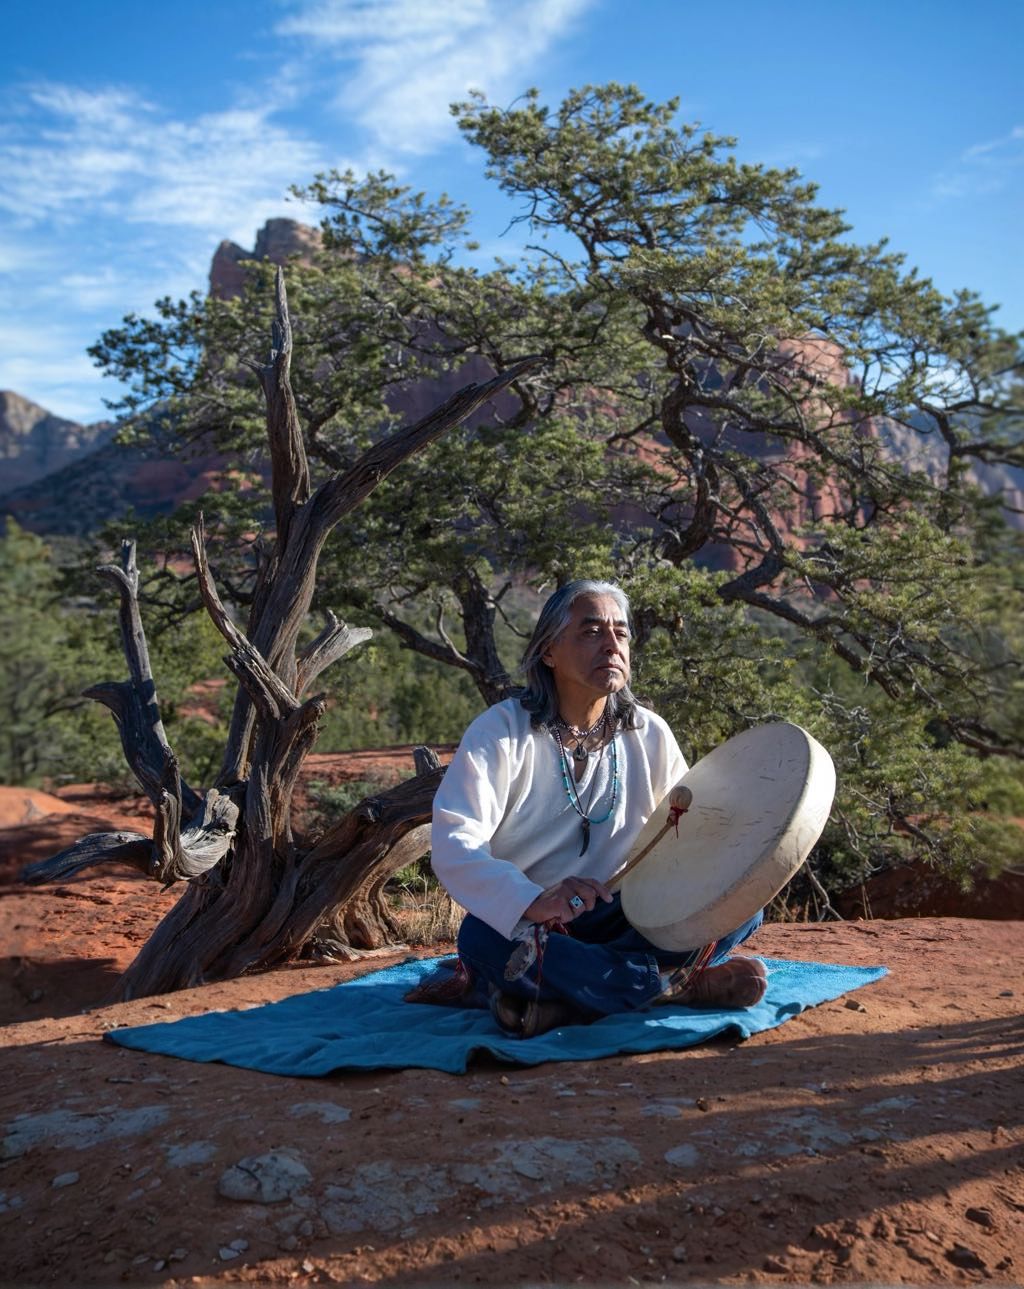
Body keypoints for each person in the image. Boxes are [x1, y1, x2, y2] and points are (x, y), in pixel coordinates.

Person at [428, 579, 767, 1038]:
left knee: (742, 907)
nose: (611, 645)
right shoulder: (501, 732)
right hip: (540, 924)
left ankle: (567, 999)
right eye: (591, 632)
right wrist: (533, 899)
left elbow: (686, 834)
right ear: (548, 651)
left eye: (621, 633)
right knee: (481, 939)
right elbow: (454, 842)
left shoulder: (649, 733)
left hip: (627, 916)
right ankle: (670, 987)